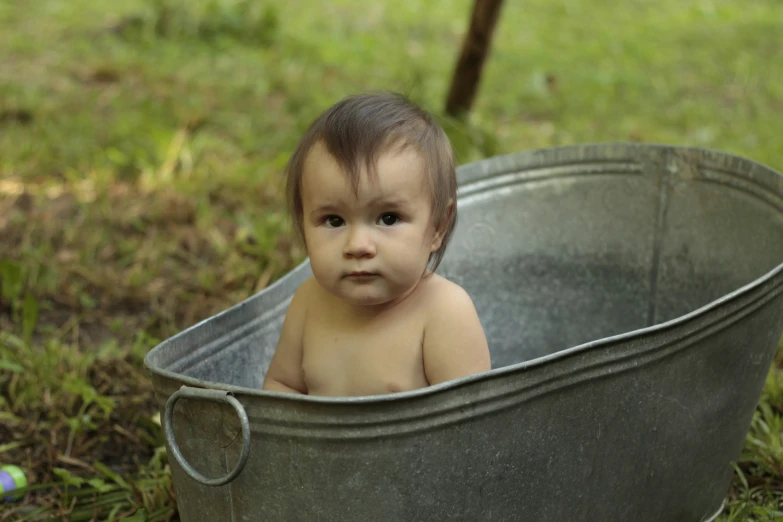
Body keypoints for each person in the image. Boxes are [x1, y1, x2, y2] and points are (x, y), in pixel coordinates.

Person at [262, 91, 491, 396]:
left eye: (388, 218)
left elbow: (473, 423)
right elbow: (282, 387)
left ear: (437, 225)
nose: (358, 245)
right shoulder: (308, 303)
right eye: (334, 220)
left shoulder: (443, 312)